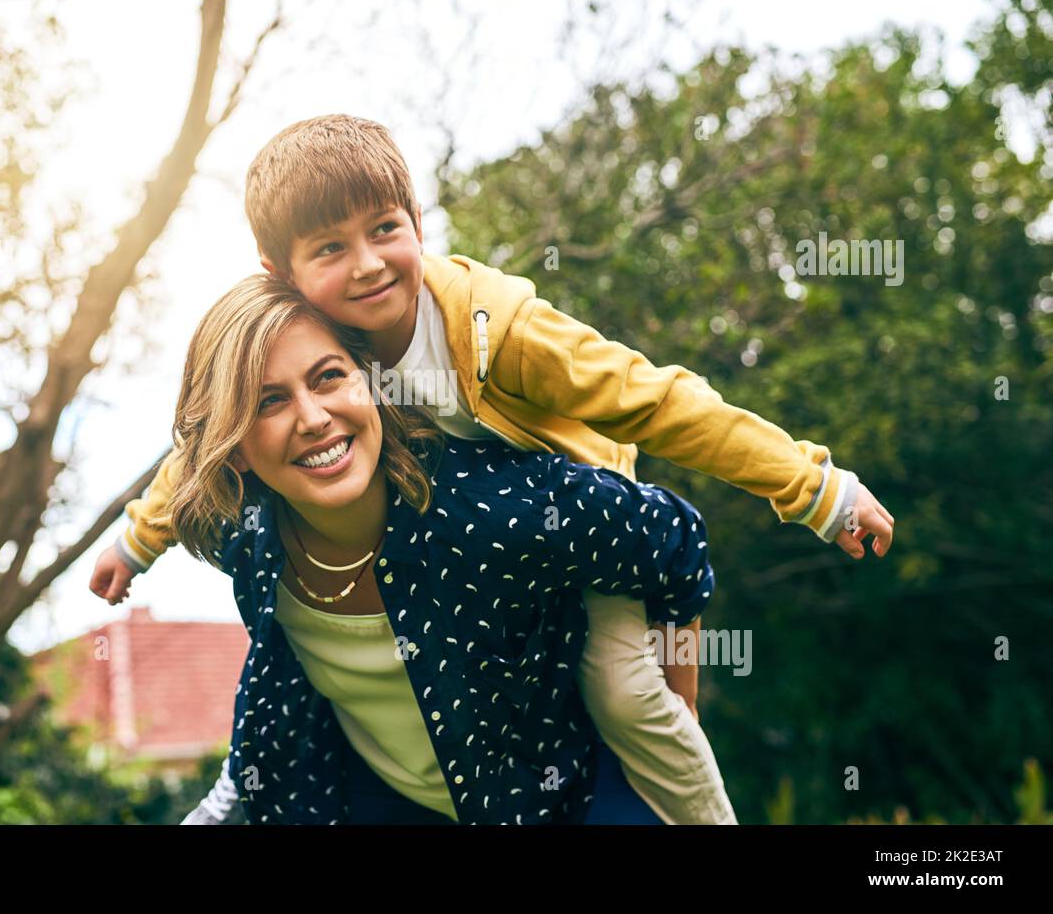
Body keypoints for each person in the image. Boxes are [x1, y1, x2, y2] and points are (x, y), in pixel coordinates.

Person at [92, 115, 895, 823]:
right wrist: (138, 542)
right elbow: (217, 429)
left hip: (578, 524)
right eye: (330, 248)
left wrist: (815, 488)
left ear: (416, 221)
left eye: (384, 229)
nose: (368, 264)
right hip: (460, 556)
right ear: (278, 268)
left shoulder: (495, 329)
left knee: (628, 698)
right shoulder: (319, 343)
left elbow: (655, 400)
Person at [133, 275, 716, 823]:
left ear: (372, 381)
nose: (313, 418)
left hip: (568, 795)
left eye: (329, 376)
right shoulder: (244, 536)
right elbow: (279, 676)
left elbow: (672, 538)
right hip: (385, 801)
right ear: (235, 449)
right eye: (269, 402)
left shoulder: (495, 507)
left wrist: (675, 701)